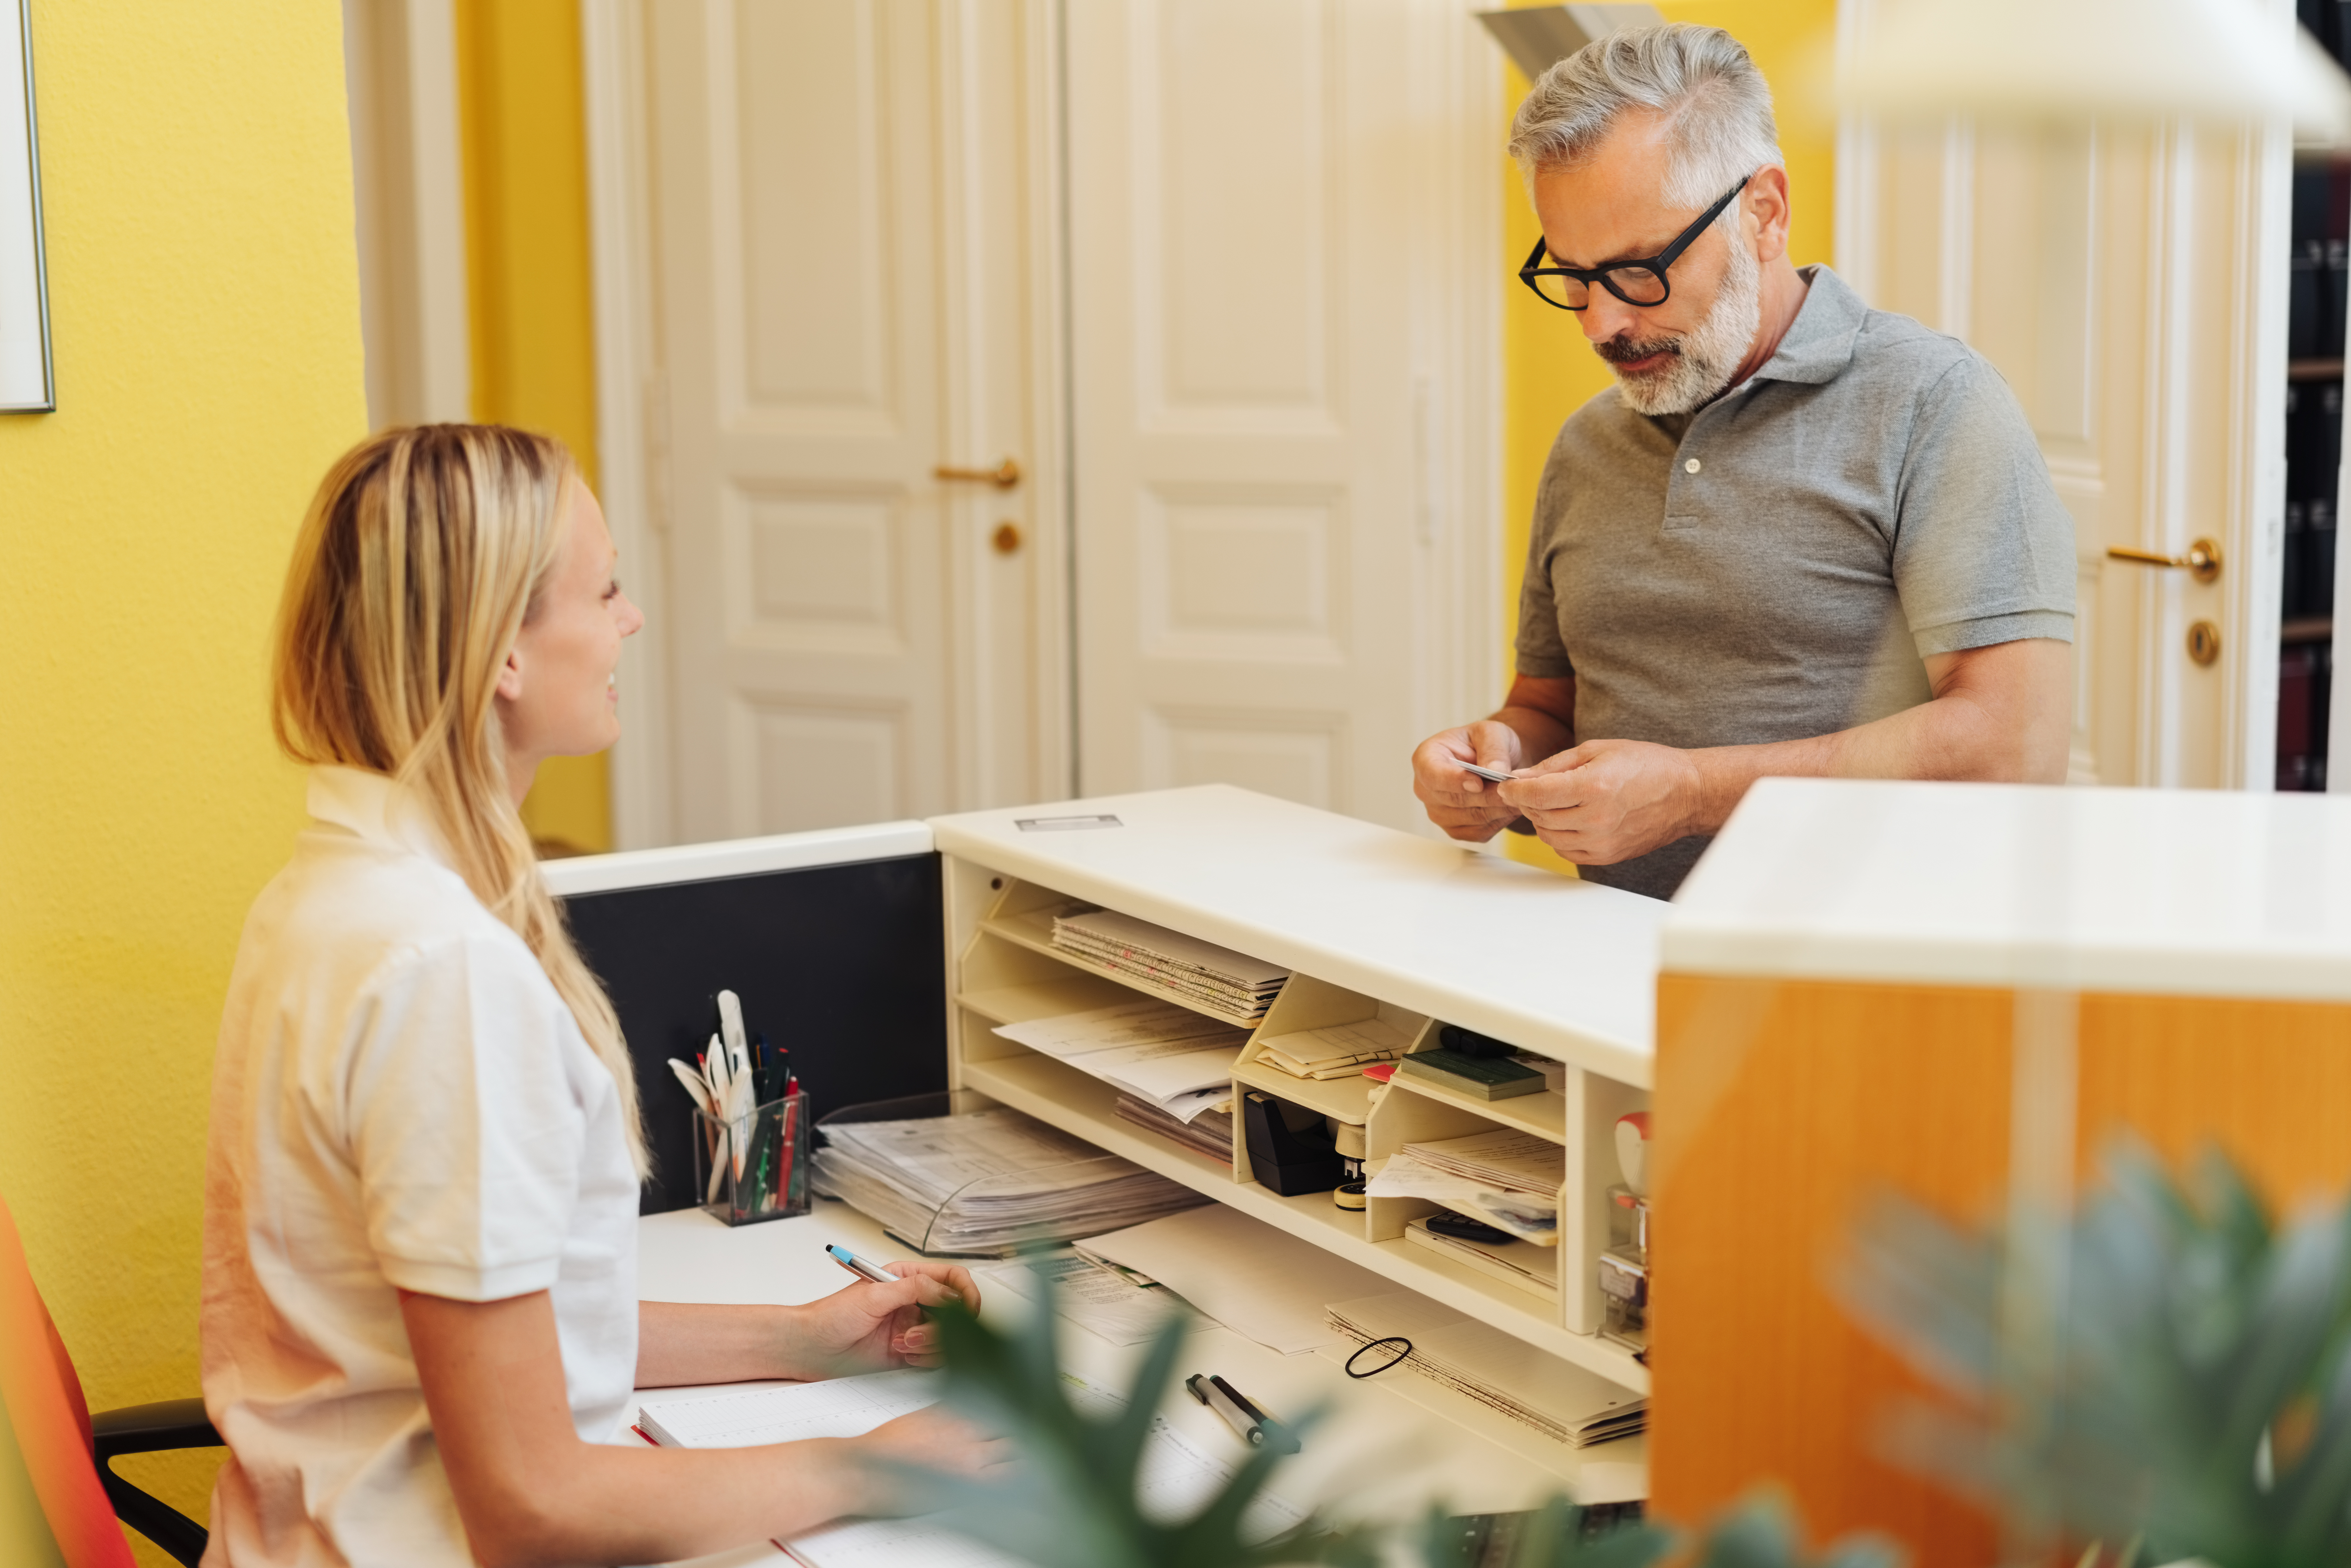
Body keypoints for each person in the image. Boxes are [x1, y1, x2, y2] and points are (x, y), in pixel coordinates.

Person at [199, 425, 1005, 1567]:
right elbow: (533, 1507)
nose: (632, 620)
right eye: (607, 589)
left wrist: (804, 1340)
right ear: (503, 655)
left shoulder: (332, 893)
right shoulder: (442, 973)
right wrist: (885, 1467)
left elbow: (495, 1344)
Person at [1411, 24, 2075, 899]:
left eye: (1638, 270)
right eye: (1572, 275)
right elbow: (1547, 706)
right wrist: (1497, 758)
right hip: (1604, 949)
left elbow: (2014, 746)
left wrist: (1692, 794)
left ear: (1763, 212)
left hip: (1863, 958)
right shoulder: (1587, 444)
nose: (1601, 324)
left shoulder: (1936, 404)